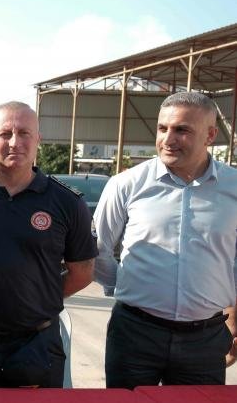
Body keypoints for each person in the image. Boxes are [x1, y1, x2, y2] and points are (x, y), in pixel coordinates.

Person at [0, 101, 96, 388]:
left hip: (36, 344)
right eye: (5, 134)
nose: (15, 142)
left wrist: (36, 296)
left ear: (38, 140)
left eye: (24, 133)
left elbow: (83, 272)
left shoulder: (67, 203)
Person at [93, 92, 237, 389]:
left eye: (182, 130)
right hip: (134, 334)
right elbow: (98, 251)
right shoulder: (126, 184)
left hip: (205, 340)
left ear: (210, 135)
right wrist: (125, 288)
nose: (168, 139)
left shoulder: (233, 188)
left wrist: (233, 319)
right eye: (162, 128)